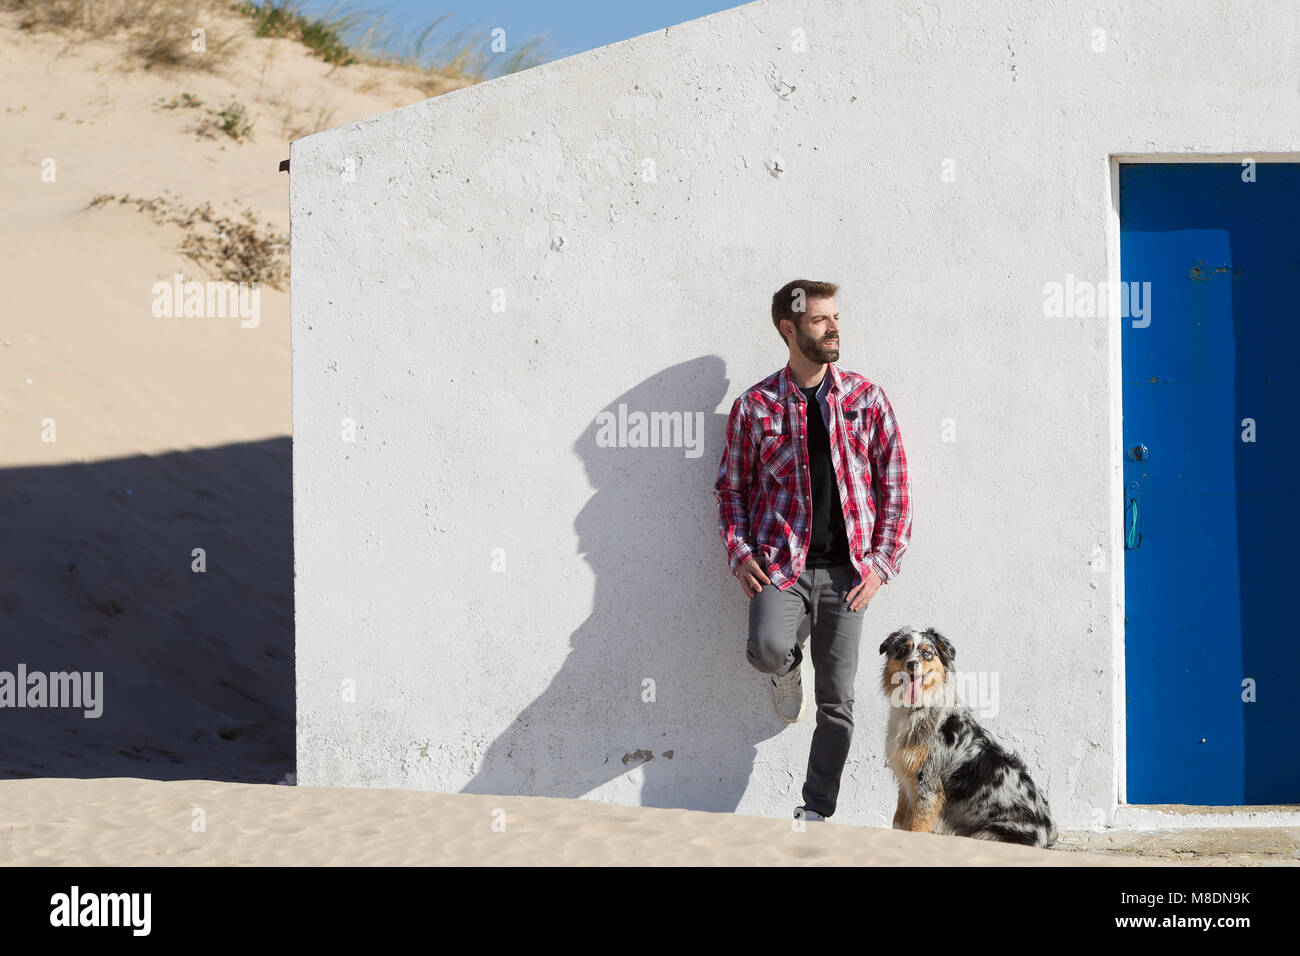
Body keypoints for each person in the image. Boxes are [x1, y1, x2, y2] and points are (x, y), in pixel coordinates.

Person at [713, 279, 912, 823]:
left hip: (850, 575)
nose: (834, 328)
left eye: (836, 317)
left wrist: (882, 564)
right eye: (822, 320)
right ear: (790, 328)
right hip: (784, 565)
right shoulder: (756, 406)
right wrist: (739, 550)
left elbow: (894, 488)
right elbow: (731, 488)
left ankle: (816, 812)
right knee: (768, 648)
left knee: (838, 706)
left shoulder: (866, 399)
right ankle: (786, 667)